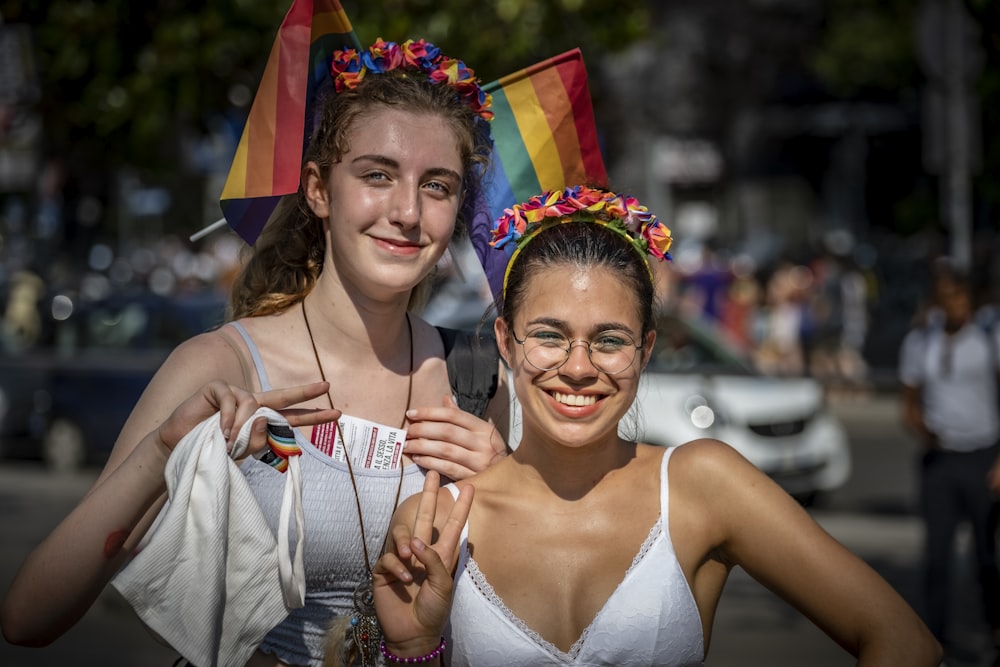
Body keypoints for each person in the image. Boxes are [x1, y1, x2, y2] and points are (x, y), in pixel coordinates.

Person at [0, 38, 510, 667]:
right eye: (377, 174)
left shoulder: (479, 381)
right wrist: (164, 453)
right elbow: (29, 617)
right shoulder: (222, 366)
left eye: (437, 186)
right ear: (319, 190)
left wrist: (514, 486)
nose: (407, 212)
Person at [367, 185, 942, 666]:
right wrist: (413, 645)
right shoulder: (441, 520)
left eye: (610, 340)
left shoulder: (701, 484)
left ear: (644, 352)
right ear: (505, 345)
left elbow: (903, 641)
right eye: (548, 335)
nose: (578, 367)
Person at [899, 266, 1000, 661]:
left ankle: (994, 628)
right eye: (947, 298)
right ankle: (934, 638)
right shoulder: (920, 342)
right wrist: (924, 429)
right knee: (937, 555)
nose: (956, 307)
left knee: (985, 554)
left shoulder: (989, 338)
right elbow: (909, 402)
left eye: (961, 298)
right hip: (941, 460)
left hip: (983, 456)